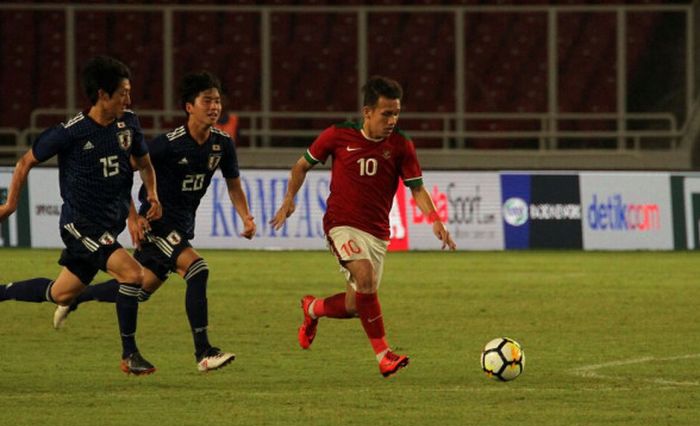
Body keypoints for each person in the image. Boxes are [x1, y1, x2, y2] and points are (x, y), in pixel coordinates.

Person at [53, 71, 257, 373]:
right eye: (207, 101)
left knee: (140, 289)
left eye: (217, 101)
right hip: (156, 223)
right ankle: (204, 352)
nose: (214, 107)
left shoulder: (221, 144)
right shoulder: (168, 145)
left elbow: (234, 184)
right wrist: (133, 216)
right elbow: (126, 173)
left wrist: (246, 216)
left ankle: (77, 297)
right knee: (197, 269)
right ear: (189, 106)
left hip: (181, 225)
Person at [270, 76, 456, 378]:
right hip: (340, 224)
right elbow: (301, 165)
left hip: (377, 233)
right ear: (367, 112)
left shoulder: (401, 145)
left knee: (357, 304)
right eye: (386, 113)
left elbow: (417, 188)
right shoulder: (337, 135)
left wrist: (435, 220)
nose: (392, 120)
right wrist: (289, 199)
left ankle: (312, 308)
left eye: (396, 113)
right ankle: (384, 355)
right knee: (365, 275)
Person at [0, 55, 161, 375]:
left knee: (61, 292)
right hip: (80, 225)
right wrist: (11, 205)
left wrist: (152, 195)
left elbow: (143, 164)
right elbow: (24, 162)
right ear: (102, 95)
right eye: (123, 93)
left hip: (108, 225)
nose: (128, 99)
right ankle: (130, 355)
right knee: (133, 274)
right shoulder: (70, 133)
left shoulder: (128, 123)